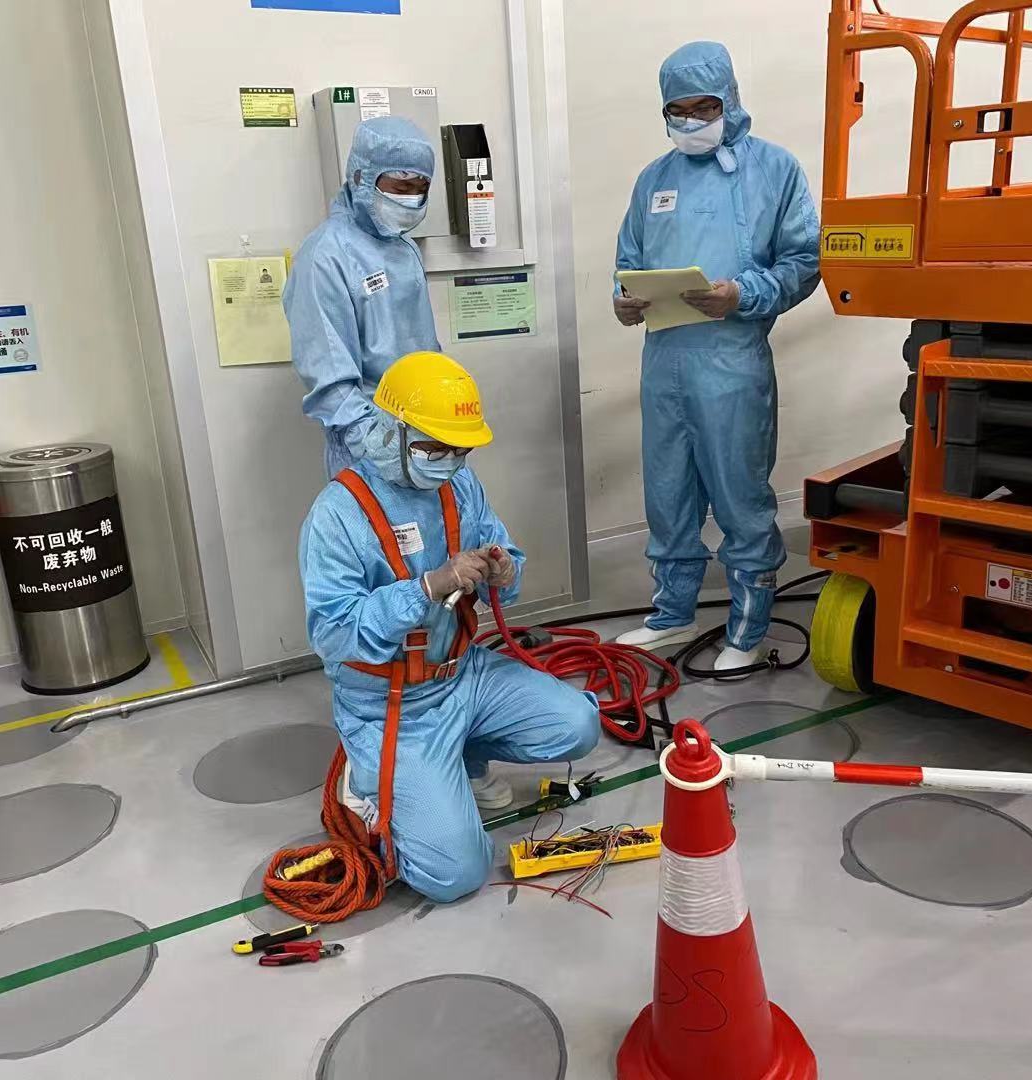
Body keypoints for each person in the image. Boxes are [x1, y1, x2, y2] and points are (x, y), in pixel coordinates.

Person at [300, 351, 600, 903]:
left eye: (460, 450)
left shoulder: (459, 485)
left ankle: (462, 755)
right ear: (389, 432)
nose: (450, 461)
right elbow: (333, 633)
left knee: (578, 725)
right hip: (389, 702)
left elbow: (499, 549)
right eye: (435, 449)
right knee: (456, 875)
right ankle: (364, 779)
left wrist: (505, 569)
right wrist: (427, 587)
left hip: (463, 675)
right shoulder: (337, 514)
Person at [612, 41, 821, 674]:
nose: (690, 120)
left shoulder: (774, 170)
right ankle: (672, 611)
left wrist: (743, 294)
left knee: (739, 491)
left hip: (731, 364)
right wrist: (624, 301)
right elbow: (628, 262)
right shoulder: (654, 180)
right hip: (664, 362)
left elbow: (804, 262)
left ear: (729, 99)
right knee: (667, 490)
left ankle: (749, 624)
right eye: (677, 111)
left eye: (703, 107)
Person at [285, 116, 442, 478]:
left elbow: (423, 351)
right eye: (401, 186)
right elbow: (330, 381)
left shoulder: (405, 249)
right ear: (362, 177)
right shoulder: (325, 255)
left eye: (421, 188)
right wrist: (380, 447)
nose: (412, 198)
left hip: (429, 435)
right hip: (370, 448)